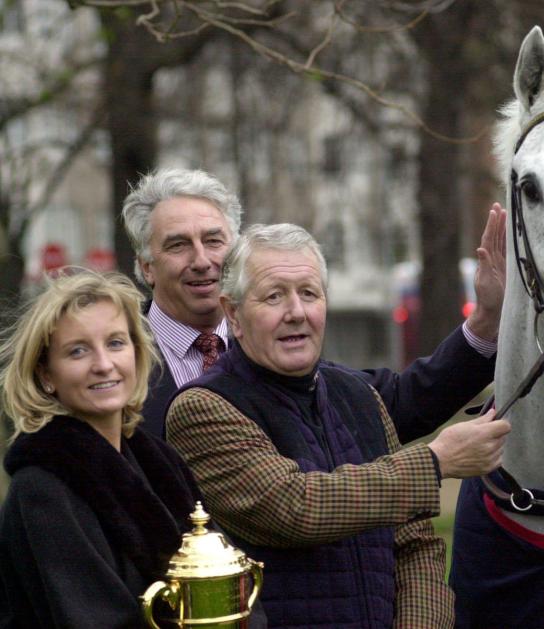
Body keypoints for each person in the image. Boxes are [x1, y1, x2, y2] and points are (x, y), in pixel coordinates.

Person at [165, 223, 511, 628]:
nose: (296, 312)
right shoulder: (203, 407)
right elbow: (295, 506)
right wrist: (434, 462)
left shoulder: (359, 395)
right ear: (233, 315)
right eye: (274, 296)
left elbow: (416, 545)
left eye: (309, 293)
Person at [122, 167, 507, 440]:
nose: (202, 259)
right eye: (178, 245)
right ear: (146, 267)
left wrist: (487, 320)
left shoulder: (279, 341)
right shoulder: (113, 361)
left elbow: (404, 402)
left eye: (213, 240)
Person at [0, 271, 209, 627]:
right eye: (77, 351)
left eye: (115, 343)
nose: (103, 364)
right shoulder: (42, 488)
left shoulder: (160, 461)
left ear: (136, 352)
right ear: (46, 375)